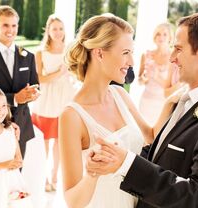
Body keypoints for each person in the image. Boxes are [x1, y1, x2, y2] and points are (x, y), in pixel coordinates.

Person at [87, 11, 198, 208]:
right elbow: (159, 155)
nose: (172, 58)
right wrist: (115, 158)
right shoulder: (183, 101)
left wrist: (128, 163)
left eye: (178, 49)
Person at [59, 13, 182, 208]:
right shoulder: (72, 116)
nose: (132, 61)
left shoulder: (119, 94)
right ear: (99, 53)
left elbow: (150, 136)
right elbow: (73, 201)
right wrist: (92, 175)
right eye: (125, 52)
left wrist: (170, 103)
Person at [0, 5, 40, 158]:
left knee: (16, 171)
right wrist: (14, 99)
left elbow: (36, 84)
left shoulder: (28, 56)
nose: (10, 30)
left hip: (22, 125)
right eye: (5, 25)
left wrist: (35, 92)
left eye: (14, 25)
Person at [31, 14, 77, 192]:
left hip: (64, 98)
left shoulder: (69, 50)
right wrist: (58, 73)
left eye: (61, 28)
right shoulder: (41, 52)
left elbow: (75, 73)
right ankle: (43, 178)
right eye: (54, 29)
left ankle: (54, 176)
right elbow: (38, 79)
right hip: (46, 100)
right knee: (44, 142)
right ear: (48, 31)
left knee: (59, 142)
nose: (58, 32)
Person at [138, 23, 182, 125]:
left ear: (170, 37)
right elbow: (140, 81)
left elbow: (172, 87)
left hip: (163, 103)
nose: (161, 37)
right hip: (146, 100)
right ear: (154, 37)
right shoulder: (146, 55)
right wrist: (143, 79)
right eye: (158, 34)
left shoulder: (174, 58)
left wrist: (156, 76)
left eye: (164, 34)